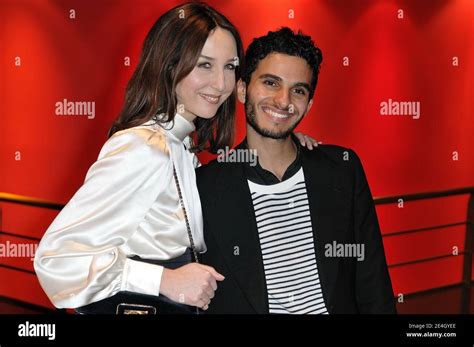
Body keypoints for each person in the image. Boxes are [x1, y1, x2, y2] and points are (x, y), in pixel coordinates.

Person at [34, 3, 316, 314]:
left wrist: (288, 144)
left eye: (229, 66)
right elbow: (56, 259)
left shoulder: (180, 148)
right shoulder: (143, 148)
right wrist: (163, 280)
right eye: (205, 65)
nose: (221, 84)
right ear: (170, 65)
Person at [197, 27, 396, 314]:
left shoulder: (342, 169)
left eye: (298, 90)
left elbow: (373, 282)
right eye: (271, 83)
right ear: (242, 89)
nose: (283, 101)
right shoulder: (205, 187)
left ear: (309, 104)